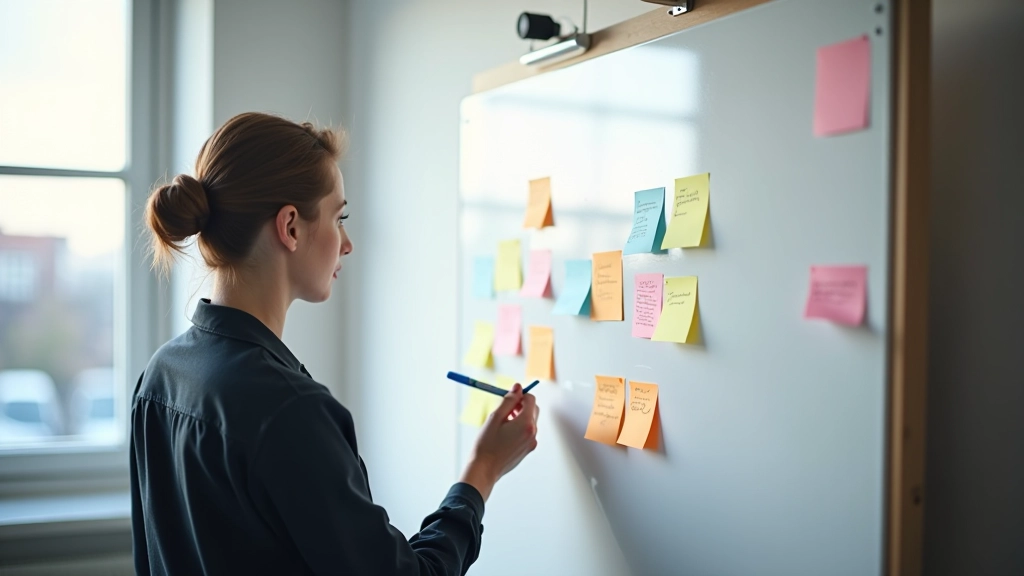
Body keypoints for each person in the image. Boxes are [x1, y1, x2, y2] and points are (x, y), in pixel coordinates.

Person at [131, 112, 539, 575]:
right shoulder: (287, 410)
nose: (347, 243)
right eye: (338, 217)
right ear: (290, 227)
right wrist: (483, 469)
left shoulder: (159, 375)